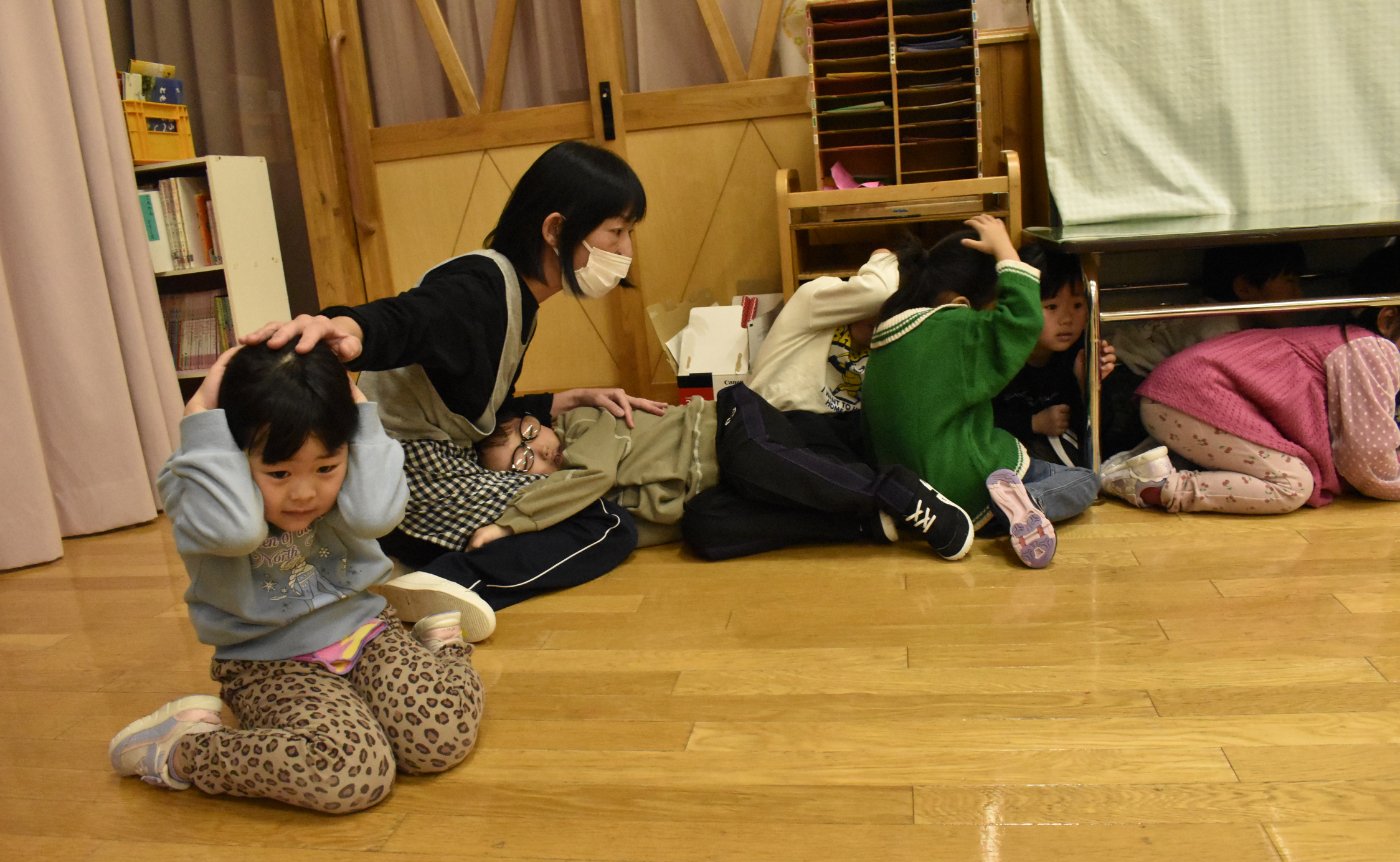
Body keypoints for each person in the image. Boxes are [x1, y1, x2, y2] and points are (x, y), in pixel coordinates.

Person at [242, 140, 666, 615]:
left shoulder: (515, 295)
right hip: (412, 476)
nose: (626, 250)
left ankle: (427, 570)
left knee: (586, 498)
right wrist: (345, 326)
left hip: (440, 462)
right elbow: (408, 319)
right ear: (555, 229)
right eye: (616, 232)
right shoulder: (478, 288)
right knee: (605, 522)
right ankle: (442, 586)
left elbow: (469, 396)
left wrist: (560, 401)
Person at [109, 343, 485, 814]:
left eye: (326, 468)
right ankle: (179, 750)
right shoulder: (198, 481)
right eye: (279, 473)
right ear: (231, 450)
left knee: (439, 742)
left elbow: (375, 517)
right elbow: (235, 532)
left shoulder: (348, 459)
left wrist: (361, 414)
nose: (306, 493)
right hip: (269, 663)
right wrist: (201, 417)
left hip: (367, 631)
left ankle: (440, 650)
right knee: (353, 774)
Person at [683, 247, 973, 560]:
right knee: (730, 480)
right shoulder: (815, 298)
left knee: (707, 520)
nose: (879, 319)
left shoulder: (894, 348)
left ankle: (867, 520)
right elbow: (878, 290)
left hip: (825, 451)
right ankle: (895, 493)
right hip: (768, 419)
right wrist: (886, 257)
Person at [465, 387, 969, 560]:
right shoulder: (573, 499)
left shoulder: (582, 423)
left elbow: (592, 474)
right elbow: (647, 528)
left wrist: (509, 525)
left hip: (727, 425)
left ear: (537, 419)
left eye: (528, 434)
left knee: (752, 460)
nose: (539, 452)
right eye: (522, 462)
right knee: (705, 529)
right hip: (724, 483)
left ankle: (898, 492)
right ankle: (864, 522)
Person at [860, 216, 1101, 569]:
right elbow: (1022, 321)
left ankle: (1013, 505)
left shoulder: (890, 335)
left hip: (914, 495)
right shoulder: (953, 326)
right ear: (961, 302)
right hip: (966, 484)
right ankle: (1024, 504)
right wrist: (1005, 250)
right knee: (1086, 480)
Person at [1101, 249, 1400, 515]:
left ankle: (1132, 468)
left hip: (1176, 396)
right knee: (1294, 483)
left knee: (1287, 473)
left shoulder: (1346, 342)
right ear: (1387, 320)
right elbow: (1366, 461)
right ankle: (1156, 487)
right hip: (1175, 394)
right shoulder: (1369, 349)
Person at [1099, 243, 1307, 455]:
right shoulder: (1216, 329)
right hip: (1118, 379)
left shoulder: (1232, 323)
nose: (1298, 293)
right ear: (1244, 288)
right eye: (1290, 281)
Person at [993, 248, 1117, 466]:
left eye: (1077, 305)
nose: (1067, 319)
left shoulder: (1079, 352)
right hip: (1008, 452)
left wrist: (1088, 384)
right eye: (1052, 306)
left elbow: (1100, 433)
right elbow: (982, 420)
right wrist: (1033, 423)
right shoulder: (1002, 353)